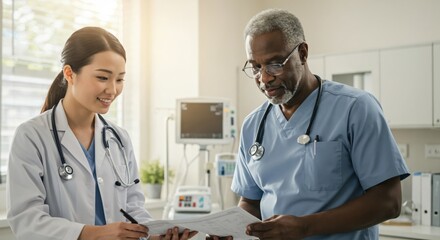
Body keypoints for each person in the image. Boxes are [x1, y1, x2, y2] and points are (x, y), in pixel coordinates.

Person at [230, 9, 410, 240]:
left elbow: (389, 201)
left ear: (302, 54)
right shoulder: (253, 125)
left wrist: (305, 227)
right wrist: (230, 231)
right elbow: (250, 202)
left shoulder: (356, 108)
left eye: (275, 64)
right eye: (255, 67)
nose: (264, 78)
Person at [6, 27, 196, 240]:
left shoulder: (119, 138)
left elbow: (133, 209)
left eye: (120, 79)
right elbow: (26, 221)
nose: (112, 90)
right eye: (103, 78)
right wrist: (94, 234)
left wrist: (155, 235)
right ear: (69, 74)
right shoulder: (32, 136)